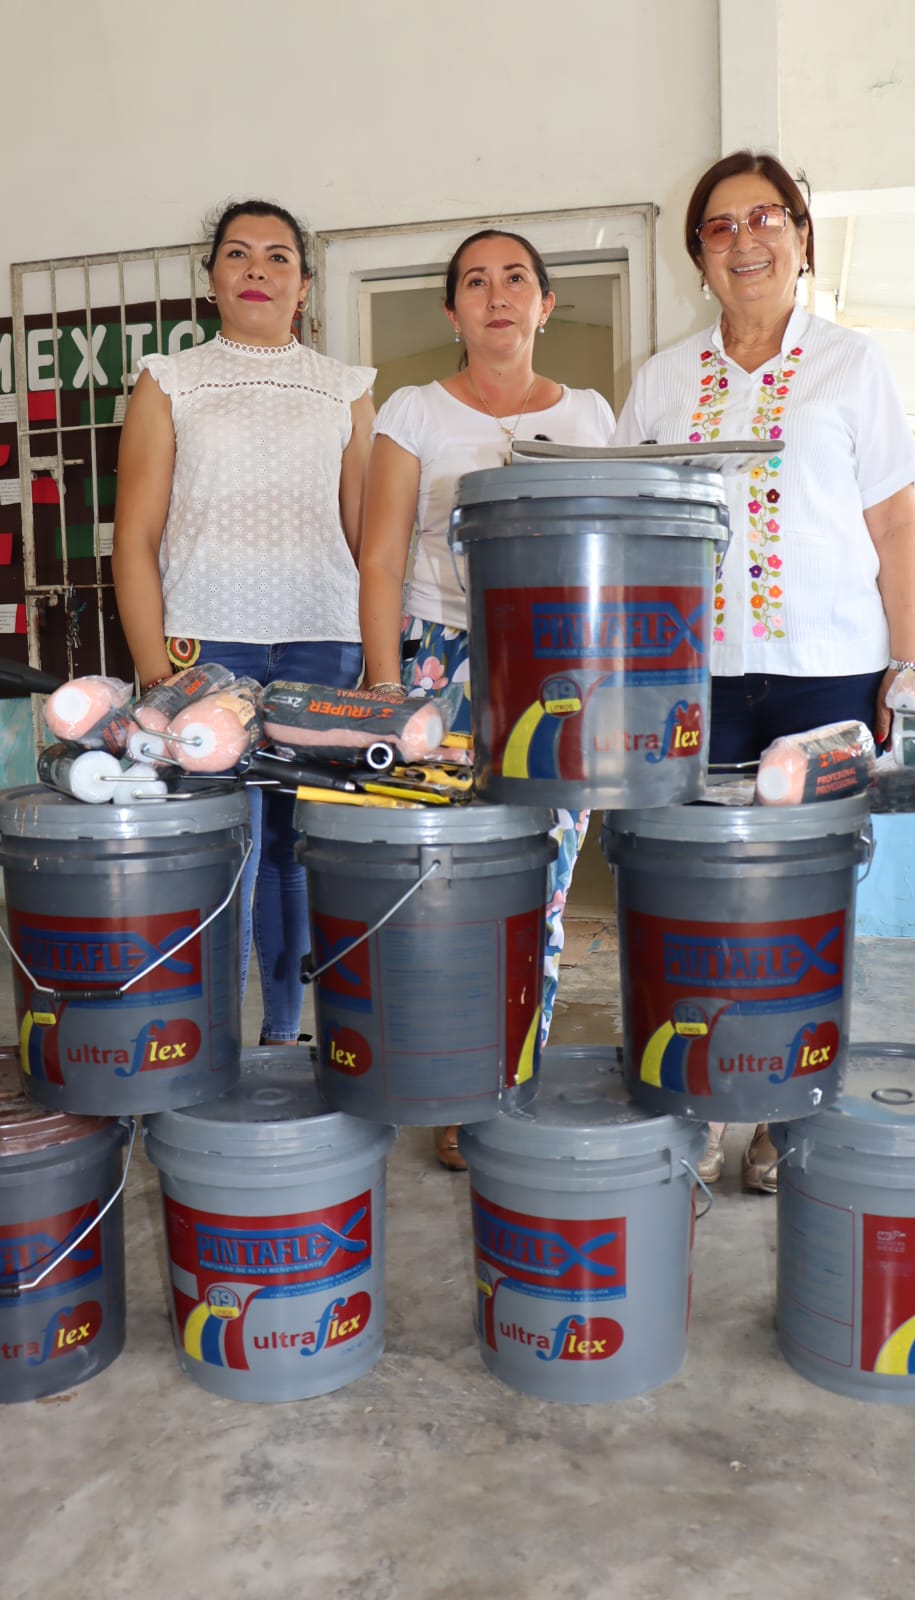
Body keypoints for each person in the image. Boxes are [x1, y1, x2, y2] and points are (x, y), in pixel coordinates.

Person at [615, 150, 915, 1192]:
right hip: (690, 681)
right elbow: (625, 530)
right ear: (697, 254)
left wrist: (907, 661)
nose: (743, 239)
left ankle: (787, 1111)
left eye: (765, 219)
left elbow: (892, 521)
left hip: (827, 678)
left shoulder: (851, 363)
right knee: (698, 898)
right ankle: (707, 1101)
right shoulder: (662, 380)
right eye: (719, 226)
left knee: (809, 900)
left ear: (798, 235)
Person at [359, 227, 615, 1169]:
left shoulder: (593, 417)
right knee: (438, 874)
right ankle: (441, 1071)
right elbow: (382, 557)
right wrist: (386, 688)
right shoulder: (415, 410)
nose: (497, 295)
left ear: (546, 304)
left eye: (517, 280)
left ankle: (508, 1077)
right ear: (452, 311)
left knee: (541, 881)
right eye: (476, 281)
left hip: (558, 676)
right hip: (439, 663)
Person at [112, 199, 375, 1045]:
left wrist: (381, 667)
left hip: (320, 642)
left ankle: (284, 1038)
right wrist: (156, 673)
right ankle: (209, 1040)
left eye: (277, 257)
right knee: (221, 845)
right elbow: (136, 537)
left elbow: (369, 543)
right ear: (214, 280)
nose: (257, 269)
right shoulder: (170, 381)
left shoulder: (347, 388)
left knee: (297, 852)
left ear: (302, 285)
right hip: (203, 649)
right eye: (238, 254)